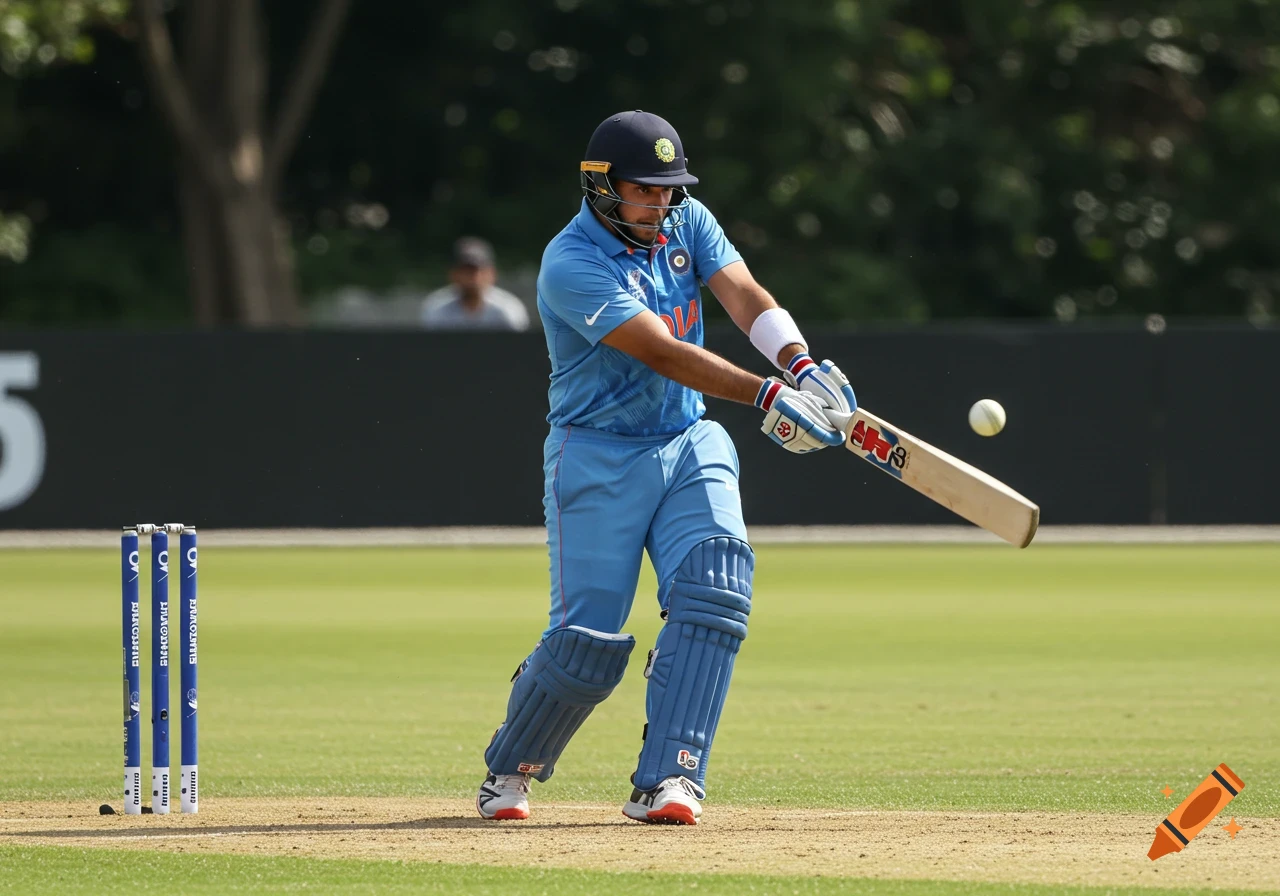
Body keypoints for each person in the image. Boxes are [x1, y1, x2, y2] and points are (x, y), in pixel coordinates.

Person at [474, 110, 857, 826]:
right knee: (587, 646)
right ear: (600, 187)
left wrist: (800, 364)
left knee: (716, 591)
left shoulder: (686, 221)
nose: (659, 205)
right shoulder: (571, 263)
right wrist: (769, 393)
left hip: (687, 439)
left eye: (668, 189)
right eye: (643, 191)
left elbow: (743, 294)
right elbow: (660, 350)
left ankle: (669, 780)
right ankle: (511, 765)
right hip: (596, 453)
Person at [420, 237, 530, 330]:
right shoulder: (437, 307)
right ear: (453, 274)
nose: (473, 278)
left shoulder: (507, 308)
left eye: (477, 271)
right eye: (466, 271)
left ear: (491, 273)